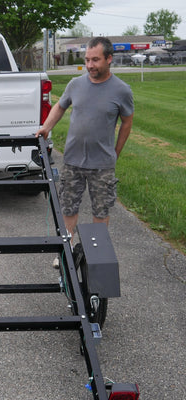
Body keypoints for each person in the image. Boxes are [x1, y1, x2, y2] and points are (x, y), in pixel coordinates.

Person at [36, 37, 134, 256]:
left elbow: (127, 122)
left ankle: (95, 255)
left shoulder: (122, 90)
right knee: (68, 206)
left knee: (101, 209)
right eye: (88, 60)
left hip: (102, 165)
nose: (90, 65)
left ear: (109, 59)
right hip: (73, 160)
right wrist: (46, 127)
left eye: (96, 60)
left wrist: (115, 153)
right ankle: (67, 253)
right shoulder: (75, 84)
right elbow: (59, 107)